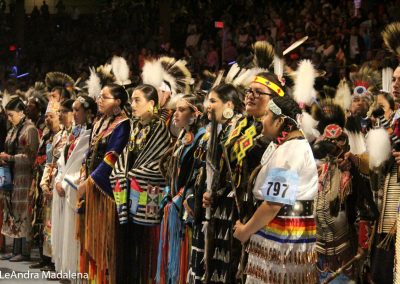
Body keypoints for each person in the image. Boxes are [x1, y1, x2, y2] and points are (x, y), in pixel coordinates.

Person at [233, 95, 318, 283]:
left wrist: (245, 231)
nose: (262, 121)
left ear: (279, 121)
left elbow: (273, 203)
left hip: (283, 238)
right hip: (278, 235)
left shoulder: (290, 151)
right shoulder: (288, 146)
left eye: (266, 116)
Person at [110, 84, 170, 283]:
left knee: (144, 245)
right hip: (129, 191)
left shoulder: (160, 128)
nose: (133, 105)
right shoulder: (136, 126)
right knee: (129, 242)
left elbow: (159, 163)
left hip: (147, 194)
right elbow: (126, 156)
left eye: (138, 100)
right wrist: (120, 173)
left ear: (151, 103)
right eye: (132, 100)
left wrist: (132, 175)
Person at [77, 84, 130, 284]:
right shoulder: (100, 122)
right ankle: (91, 278)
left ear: (117, 102)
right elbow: (89, 154)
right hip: (91, 185)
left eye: (104, 97)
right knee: (91, 238)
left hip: (105, 189)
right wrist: (83, 176)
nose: (99, 100)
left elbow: (112, 157)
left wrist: (89, 182)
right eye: (99, 96)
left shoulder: (123, 125)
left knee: (104, 239)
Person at [156, 94, 205, 284]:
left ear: (195, 114)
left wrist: (179, 198)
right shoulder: (184, 136)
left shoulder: (202, 139)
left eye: (182, 110)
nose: (176, 114)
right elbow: (173, 170)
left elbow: (197, 177)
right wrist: (169, 193)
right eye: (176, 109)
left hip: (186, 210)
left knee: (184, 258)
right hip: (173, 205)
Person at [54, 95, 97, 275]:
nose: (74, 113)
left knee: (74, 233)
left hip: (75, 187)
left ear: (88, 112)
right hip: (63, 184)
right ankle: (64, 268)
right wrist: (57, 180)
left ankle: (74, 272)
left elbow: (83, 164)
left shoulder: (91, 133)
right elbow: (62, 160)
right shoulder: (74, 132)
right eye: (73, 109)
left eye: (77, 109)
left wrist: (65, 181)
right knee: (64, 231)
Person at [0, 98, 39, 262]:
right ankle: (16, 249)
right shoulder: (14, 129)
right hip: (13, 175)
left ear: (21, 112)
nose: (9, 118)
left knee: (23, 212)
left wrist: (9, 157)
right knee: (13, 211)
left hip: (24, 177)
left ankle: (24, 251)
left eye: (11, 115)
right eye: (8, 115)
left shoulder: (29, 129)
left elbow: (31, 157)